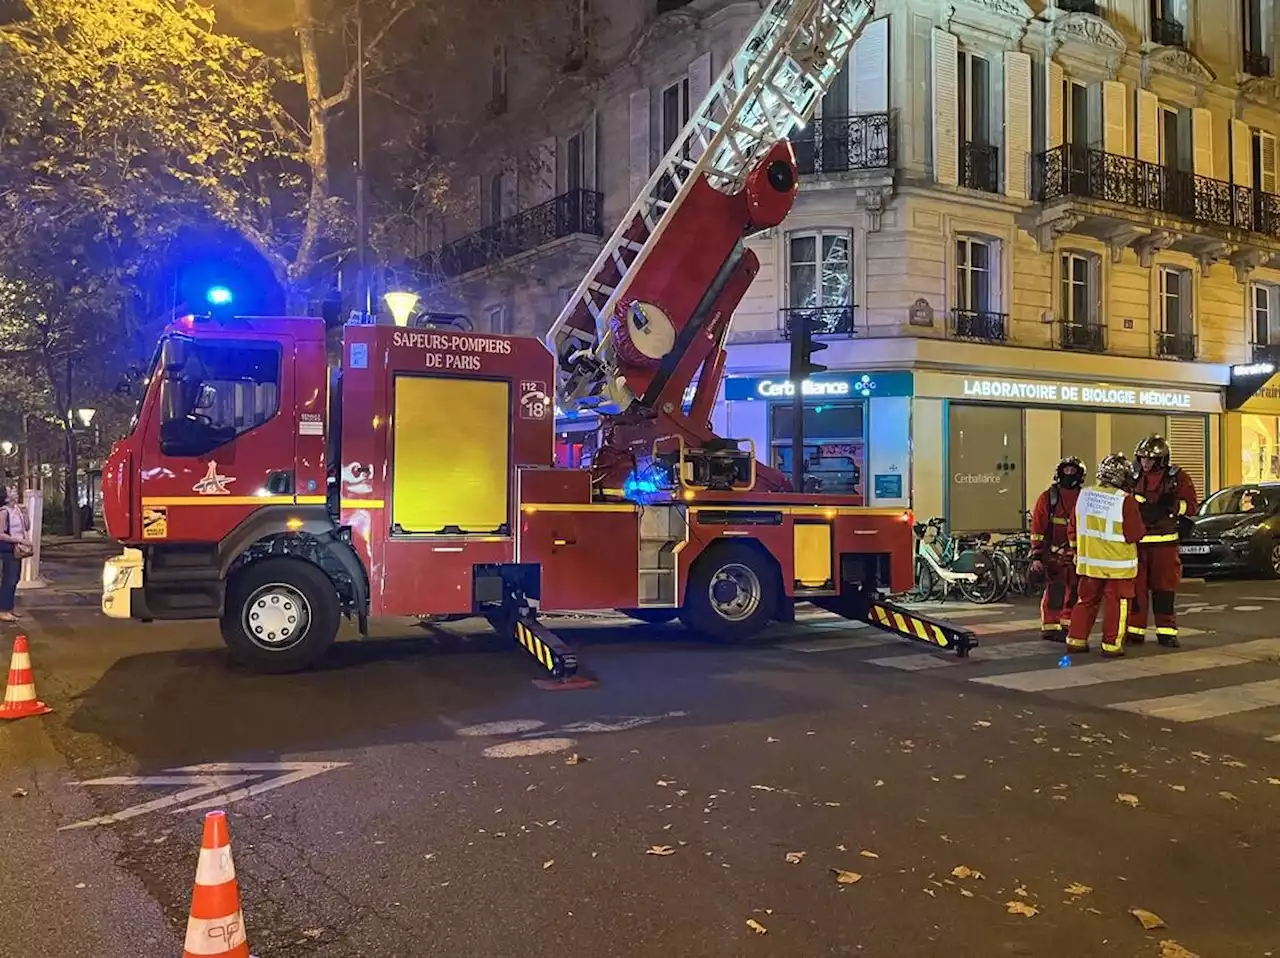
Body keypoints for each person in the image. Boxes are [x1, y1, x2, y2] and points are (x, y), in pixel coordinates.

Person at [1065, 454, 1146, 657]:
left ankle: (1076, 640)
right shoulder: (1125, 501)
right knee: (1117, 604)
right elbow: (1135, 534)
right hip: (1117, 566)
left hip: (1089, 564)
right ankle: (1111, 644)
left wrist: (1077, 551)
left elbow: (1073, 529)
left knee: (1085, 601)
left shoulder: (1084, 495)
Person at [1127, 435, 1198, 648]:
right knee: (1136, 590)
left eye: (1150, 459)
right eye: (1142, 459)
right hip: (1138, 543)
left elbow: (1192, 506)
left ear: (1162, 460)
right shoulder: (1134, 476)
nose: (1145, 463)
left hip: (1165, 543)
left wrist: (1172, 507)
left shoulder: (1177, 477)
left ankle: (1166, 631)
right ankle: (1135, 631)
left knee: (1164, 589)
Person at [1030, 457, 1085, 643]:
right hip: (1054, 555)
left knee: (1075, 592)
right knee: (1055, 590)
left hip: (1077, 555)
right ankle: (1051, 626)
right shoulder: (1048, 498)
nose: (1069, 474)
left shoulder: (1085, 498)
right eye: (1066, 470)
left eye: (1073, 471)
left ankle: (1068, 624)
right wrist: (1037, 554)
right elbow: (1038, 527)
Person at [0, 484, 29, 622]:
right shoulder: (4, 512)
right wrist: (18, 539)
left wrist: (25, 513)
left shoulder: (17, 509)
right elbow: (0, 534)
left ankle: (9, 608)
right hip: (8, 549)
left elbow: (27, 526)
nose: (15, 492)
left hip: (18, 549)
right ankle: (4, 610)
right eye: (11, 491)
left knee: (15, 579)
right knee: (9, 580)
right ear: (5, 498)